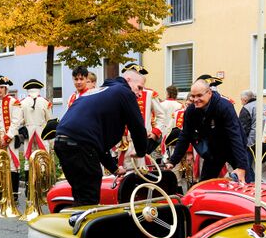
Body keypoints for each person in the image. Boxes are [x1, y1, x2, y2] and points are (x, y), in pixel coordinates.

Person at [55, 70, 148, 206]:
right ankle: (84, 225)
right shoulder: (124, 92)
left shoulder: (99, 92)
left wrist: (114, 168)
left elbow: (95, 142)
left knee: (81, 195)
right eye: (139, 87)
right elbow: (138, 126)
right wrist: (141, 151)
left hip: (62, 142)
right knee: (89, 199)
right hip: (82, 145)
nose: (140, 93)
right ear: (128, 80)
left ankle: (75, 223)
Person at [165, 78, 249, 182]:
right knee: (204, 183)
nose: (195, 99)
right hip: (214, 150)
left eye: (199, 95)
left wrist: (241, 167)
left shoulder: (224, 106)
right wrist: (173, 161)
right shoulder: (191, 111)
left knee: (246, 180)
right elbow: (185, 136)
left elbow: (235, 136)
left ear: (209, 93)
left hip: (232, 147)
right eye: (193, 96)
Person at [117, 63, 164, 167]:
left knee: (142, 172)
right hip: (123, 142)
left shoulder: (149, 94)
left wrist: (155, 133)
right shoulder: (119, 93)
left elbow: (161, 115)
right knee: (124, 173)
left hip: (142, 140)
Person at [0, 74, 24, 202]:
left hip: (11, 139)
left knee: (13, 166)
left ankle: (13, 195)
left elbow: (16, 122)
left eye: (1, 87)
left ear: (6, 88)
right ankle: (0, 194)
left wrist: (7, 138)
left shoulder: (14, 102)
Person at [20, 78, 53, 161]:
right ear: (39, 89)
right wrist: (52, 140)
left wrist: (26, 121)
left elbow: (20, 121)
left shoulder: (22, 103)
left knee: (29, 159)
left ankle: (29, 174)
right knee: (43, 157)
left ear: (27, 90)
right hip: (42, 133)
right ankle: (43, 173)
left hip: (28, 133)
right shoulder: (45, 102)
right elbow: (50, 121)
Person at [238, 89, 264, 183]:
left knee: (247, 167)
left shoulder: (246, 108)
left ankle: (251, 186)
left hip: (250, 143)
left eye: (241, 100)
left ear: (245, 100)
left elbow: (243, 129)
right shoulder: (264, 105)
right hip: (264, 142)